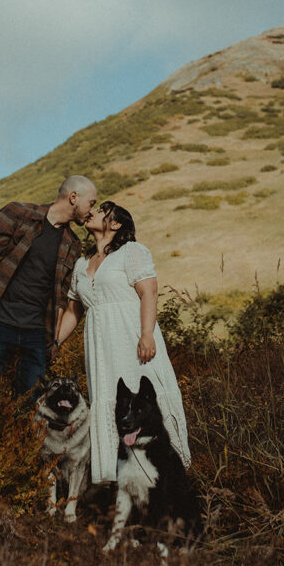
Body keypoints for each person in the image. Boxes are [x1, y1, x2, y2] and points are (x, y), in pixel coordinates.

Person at [55, 201, 190, 484]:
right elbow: (72, 312)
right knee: (110, 399)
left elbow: (149, 292)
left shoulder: (131, 252)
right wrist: (54, 343)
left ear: (115, 224)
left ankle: (165, 469)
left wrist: (146, 333)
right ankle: (117, 475)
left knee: (144, 393)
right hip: (100, 344)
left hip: (132, 335)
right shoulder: (81, 264)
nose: (94, 211)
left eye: (103, 210)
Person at [0, 175, 97, 394]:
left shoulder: (72, 243)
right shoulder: (18, 214)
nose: (92, 210)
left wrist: (54, 341)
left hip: (35, 332)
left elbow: (61, 297)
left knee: (32, 400)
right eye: (91, 202)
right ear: (74, 197)